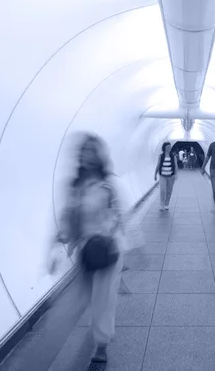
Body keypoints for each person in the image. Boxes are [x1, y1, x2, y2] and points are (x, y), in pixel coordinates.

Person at [49, 133, 136, 366]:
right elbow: (67, 218)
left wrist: (130, 248)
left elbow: (122, 217)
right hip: (85, 251)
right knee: (83, 299)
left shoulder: (110, 184)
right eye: (83, 151)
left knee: (103, 300)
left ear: (99, 156)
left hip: (108, 250)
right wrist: (58, 245)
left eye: (91, 151)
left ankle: (101, 345)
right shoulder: (75, 186)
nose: (86, 156)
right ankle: (92, 334)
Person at [154, 142, 178, 211]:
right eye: (167, 147)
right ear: (164, 148)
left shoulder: (173, 156)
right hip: (162, 176)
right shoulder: (161, 156)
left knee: (169, 191)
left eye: (170, 147)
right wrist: (155, 174)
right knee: (162, 190)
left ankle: (166, 204)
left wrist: (175, 174)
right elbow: (158, 165)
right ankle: (162, 205)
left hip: (171, 176)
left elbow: (176, 166)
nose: (169, 148)